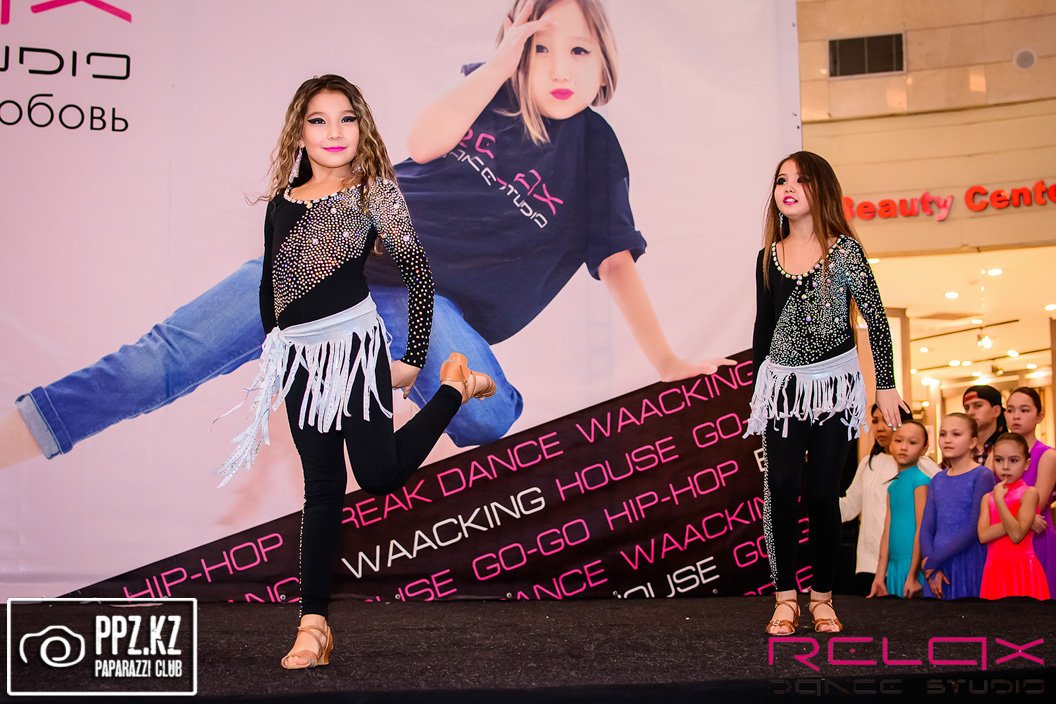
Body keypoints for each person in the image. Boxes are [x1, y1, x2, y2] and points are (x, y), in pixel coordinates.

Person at [4, 0, 732, 467]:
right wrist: (503, 61)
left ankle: (350, 360)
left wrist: (666, 359)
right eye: (541, 47)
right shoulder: (487, 96)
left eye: (579, 50)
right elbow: (423, 139)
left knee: (485, 416)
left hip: (422, 305)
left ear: (605, 63)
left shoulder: (595, 149)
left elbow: (615, 259)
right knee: (162, 360)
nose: (559, 67)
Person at [247, 75, 496, 669]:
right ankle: (312, 626)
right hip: (301, 359)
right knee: (322, 488)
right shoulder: (283, 203)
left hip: (355, 348)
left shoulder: (373, 193)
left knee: (379, 476)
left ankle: (453, 388)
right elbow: (270, 287)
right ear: (299, 132)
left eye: (346, 118)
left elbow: (419, 276)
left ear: (362, 128)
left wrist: (412, 359)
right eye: (318, 120)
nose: (334, 131)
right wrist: (276, 353)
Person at [747, 150, 908, 635]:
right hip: (783, 391)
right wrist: (759, 394)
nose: (788, 188)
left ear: (823, 189)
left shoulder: (846, 253)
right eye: (781, 180)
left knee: (822, 492)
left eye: (800, 180)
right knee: (781, 488)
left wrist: (885, 385)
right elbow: (763, 330)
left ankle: (821, 598)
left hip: (835, 389)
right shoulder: (767, 258)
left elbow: (877, 320)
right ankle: (785, 599)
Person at [840, 405, 939, 595]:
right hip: (869, 564)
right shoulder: (868, 463)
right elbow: (848, 508)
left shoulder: (924, 467)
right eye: (875, 421)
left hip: (908, 563)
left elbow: (934, 515)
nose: (880, 427)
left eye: (887, 420)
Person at [918, 413, 994, 599]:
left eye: (956, 434)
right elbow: (927, 527)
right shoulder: (938, 479)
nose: (947, 440)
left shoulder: (982, 475)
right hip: (937, 566)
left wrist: (932, 561)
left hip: (967, 561)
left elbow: (974, 528)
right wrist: (932, 566)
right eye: (943, 434)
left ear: (972, 442)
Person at [978, 433, 1051, 600]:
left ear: (1026, 464)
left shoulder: (1030, 493)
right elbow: (983, 536)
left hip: (1023, 569)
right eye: (999, 460)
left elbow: (1016, 535)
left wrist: (1000, 501)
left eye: (1013, 460)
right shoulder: (987, 498)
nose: (1005, 467)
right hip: (994, 570)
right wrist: (1021, 520)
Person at [868, 421, 931, 599]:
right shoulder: (893, 486)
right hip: (894, 567)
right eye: (898, 440)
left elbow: (922, 528)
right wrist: (879, 576)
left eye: (912, 442)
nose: (904, 447)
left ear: (924, 448)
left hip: (913, 567)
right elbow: (887, 531)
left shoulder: (920, 481)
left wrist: (912, 574)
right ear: (890, 444)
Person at [1006, 387, 1056, 594]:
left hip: (1037, 539)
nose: (1016, 416)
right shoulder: (995, 455)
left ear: (1039, 416)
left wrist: (1001, 509)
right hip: (1003, 539)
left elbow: (1037, 505)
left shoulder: (1047, 456)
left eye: (1024, 410)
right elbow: (986, 501)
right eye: (1010, 410)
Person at [961, 385, 1007, 469]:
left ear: (996, 411)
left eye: (978, 405)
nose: (970, 412)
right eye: (967, 408)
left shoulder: (1009, 446)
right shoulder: (961, 449)